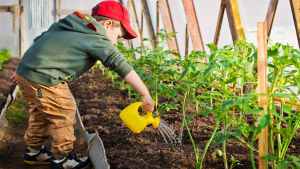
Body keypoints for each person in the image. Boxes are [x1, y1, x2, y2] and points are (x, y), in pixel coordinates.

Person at [10, 1, 154, 169]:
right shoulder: (97, 36)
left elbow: (40, 39)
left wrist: (20, 67)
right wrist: (144, 93)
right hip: (46, 78)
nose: (115, 43)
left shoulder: (72, 22)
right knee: (64, 112)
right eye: (118, 37)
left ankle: (33, 152)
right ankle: (61, 159)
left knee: (41, 113)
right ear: (107, 24)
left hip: (26, 73)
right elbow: (119, 63)